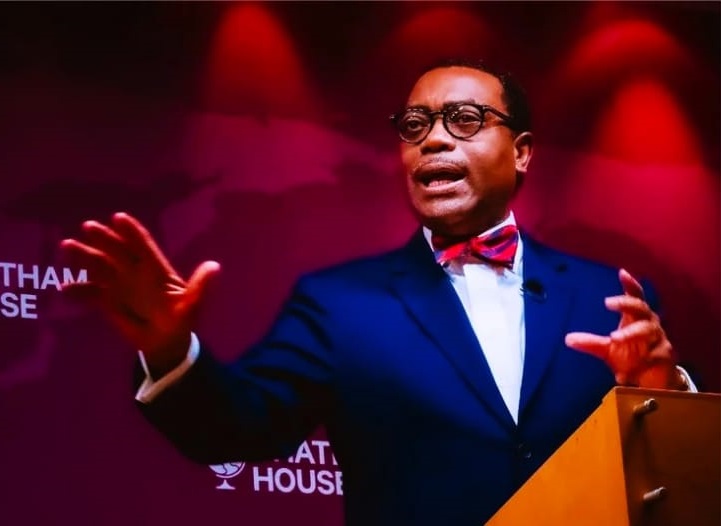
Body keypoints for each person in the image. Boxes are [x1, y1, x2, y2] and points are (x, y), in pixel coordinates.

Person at [60, 59, 693, 526]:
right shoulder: (339, 304)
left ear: (522, 152)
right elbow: (238, 429)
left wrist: (665, 391)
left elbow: (686, 481)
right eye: (415, 124)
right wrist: (170, 351)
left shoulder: (612, 296)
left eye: (465, 119)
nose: (434, 138)